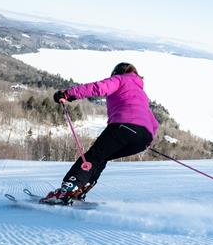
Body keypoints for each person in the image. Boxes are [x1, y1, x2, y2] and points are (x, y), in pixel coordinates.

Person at [42, 62, 159, 204]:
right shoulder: (141, 93)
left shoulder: (120, 79)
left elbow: (98, 87)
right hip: (144, 137)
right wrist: (144, 140)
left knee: (93, 156)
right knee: (101, 157)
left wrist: (68, 94)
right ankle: (80, 189)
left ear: (116, 72)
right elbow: (154, 123)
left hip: (124, 126)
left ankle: (67, 190)